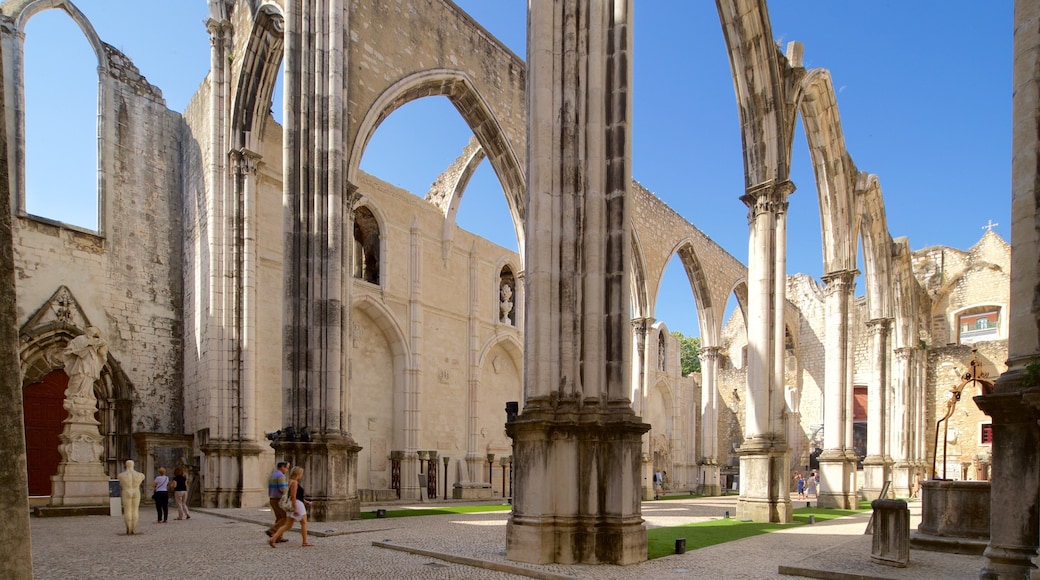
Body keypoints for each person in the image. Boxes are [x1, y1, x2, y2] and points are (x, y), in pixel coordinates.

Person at [269, 466, 314, 547]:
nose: (302, 475)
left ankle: (273, 539)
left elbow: (295, 495)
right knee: (304, 523)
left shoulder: (289, 481)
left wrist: (305, 501)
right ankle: (305, 541)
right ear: (298, 474)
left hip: (294, 503)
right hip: (297, 504)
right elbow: (293, 496)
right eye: (301, 474)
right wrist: (295, 508)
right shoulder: (294, 483)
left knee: (288, 525)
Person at [117, 459, 145, 535]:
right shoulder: (140, 475)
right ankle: (133, 528)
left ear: (126, 465)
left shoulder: (121, 475)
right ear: (133, 465)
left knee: (127, 510)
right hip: (136, 491)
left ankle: (128, 529)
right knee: (135, 510)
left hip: (126, 491)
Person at [266, 461, 290, 541]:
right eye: (286, 468)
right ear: (282, 467)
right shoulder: (281, 476)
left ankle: (278, 537)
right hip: (278, 499)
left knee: (279, 518)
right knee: (284, 518)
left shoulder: (273, 474)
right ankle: (272, 530)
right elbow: (282, 489)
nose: (287, 470)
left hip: (272, 498)